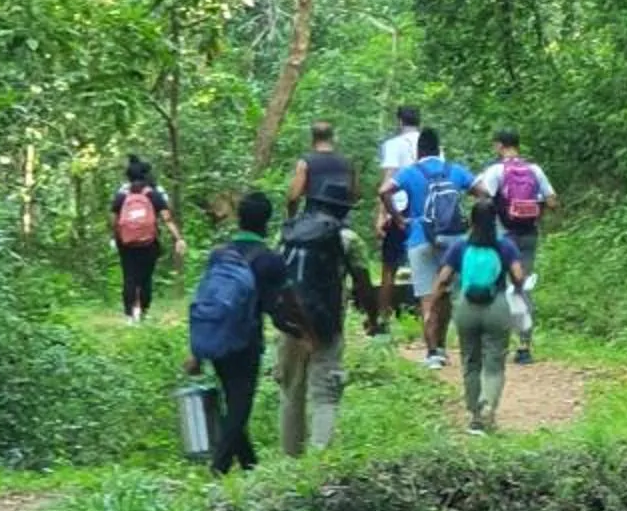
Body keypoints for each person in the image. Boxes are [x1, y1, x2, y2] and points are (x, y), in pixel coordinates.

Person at [183, 189, 290, 476]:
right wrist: (301, 331)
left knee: (234, 402)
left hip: (217, 338)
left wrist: (196, 350)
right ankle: (218, 467)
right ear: (266, 222)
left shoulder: (220, 254)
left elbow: (206, 297)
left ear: (239, 219)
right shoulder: (270, 260)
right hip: (245, 342)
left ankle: (250, 466)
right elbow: (275, 308)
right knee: (240, 406)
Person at [275, 190, 373, 456]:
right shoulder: (348, 239)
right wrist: (372, 316)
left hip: (289, 323)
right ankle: (320, 460)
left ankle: (291, 459)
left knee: (290, 392)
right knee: (325, 394)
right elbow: (363, 282)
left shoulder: (287, 233)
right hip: (326, 323)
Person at [435, 196, 528, 434]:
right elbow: (518, 276)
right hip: (496, 305)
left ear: (471, 220)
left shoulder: (460, 245)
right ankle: (488, 405)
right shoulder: (504, 245)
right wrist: (517, 289)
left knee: (470, 362)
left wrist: (434, 304)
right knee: (494, 362)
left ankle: (475, 416)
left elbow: (444, 278)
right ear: (495, 219)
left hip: (466, 306)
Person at [384, 127, 475, 368]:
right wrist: (474, 225)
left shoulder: (410, 172)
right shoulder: (454, 170)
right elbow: (484, 192)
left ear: (418, 150)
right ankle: (449, 347)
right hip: (454, 241)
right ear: (438, 149)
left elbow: (383, 190)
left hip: (420, 239)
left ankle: (433, 353)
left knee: (427, 297)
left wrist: (398, 218)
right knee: (448, 295)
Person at [475, 130, 557, 363]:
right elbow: (552, 201)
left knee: (499, 288)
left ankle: (496, 346)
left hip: (504, 236)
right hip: (529, 234)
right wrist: (533, 209)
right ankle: (524, 347)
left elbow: (483, 201)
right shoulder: (535, 170)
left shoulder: (496, 171)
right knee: (523, 288)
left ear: (499, 146)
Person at [110, 155, 184, 321]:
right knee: (145, 278)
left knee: (129, 276)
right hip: (149, 242)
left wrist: (115, 237)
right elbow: (167, 218)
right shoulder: (153, 194)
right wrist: (178, 238)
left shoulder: (122, 195)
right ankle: (143, 313)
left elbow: (114, 220)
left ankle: (129, 316)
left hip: (126, 243)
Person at [376, 104, 422, 317]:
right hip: (424, 209)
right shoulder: (431, 144)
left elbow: (388, 178)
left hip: (398, 207)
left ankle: (384, 316)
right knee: (425, 264)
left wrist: (381, 214)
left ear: (400, 121)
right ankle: (425, 314)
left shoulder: (393, 145)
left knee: (389, 266)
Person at [286, 121, 359, 219]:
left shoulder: (305, 162)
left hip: (314, 219)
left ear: (312, 138)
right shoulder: (348, 162)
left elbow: (294, 197)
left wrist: (291, 218)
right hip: (341, 219)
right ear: (332, 138)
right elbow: (354, 194)